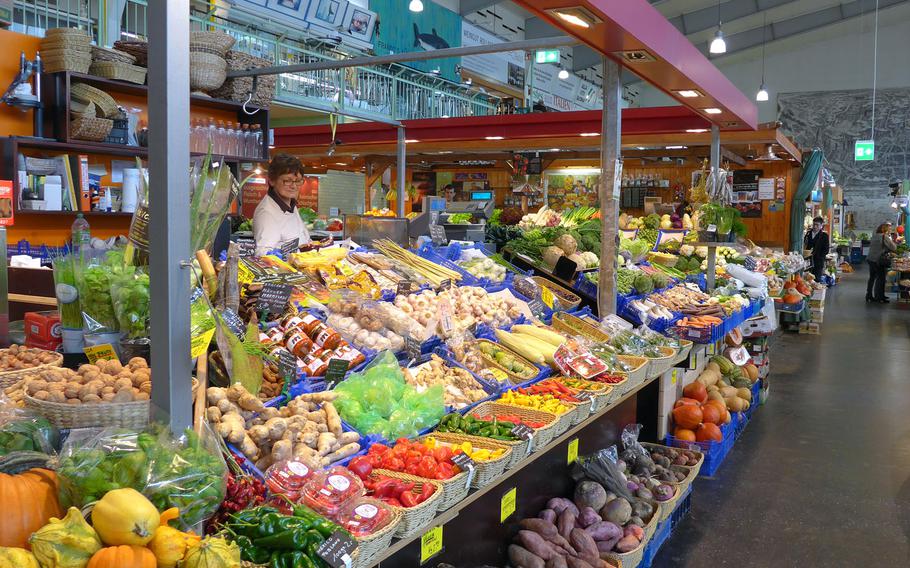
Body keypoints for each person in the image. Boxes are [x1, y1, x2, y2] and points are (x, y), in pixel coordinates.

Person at [253, 153, 310, 255]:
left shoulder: (290, 204)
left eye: (297, 181)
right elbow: (262, 253)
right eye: (287, 181)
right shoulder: (267, 213)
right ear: (271, 180)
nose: (293, 186)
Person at [866, 222, 896, 303]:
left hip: (870, 259)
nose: (890, 230)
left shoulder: (874, 235)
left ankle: (869, 295)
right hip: (878, 260)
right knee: (881, 278)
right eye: (889, 228)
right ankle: (879, 297)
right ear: (885, 229)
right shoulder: (884, 237)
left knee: (872, 278)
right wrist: (892, 240)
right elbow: (894, 247)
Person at [804, 216, 829, 283]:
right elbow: (805, 245)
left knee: (816, 279)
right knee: (807, 279)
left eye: (817, 225)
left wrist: (820, 257)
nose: (815, 226)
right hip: (807, 261)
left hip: (818, 262)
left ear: (821, 226)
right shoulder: (808, 234)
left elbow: (826, 250)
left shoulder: (824, 236)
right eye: (814, 224)